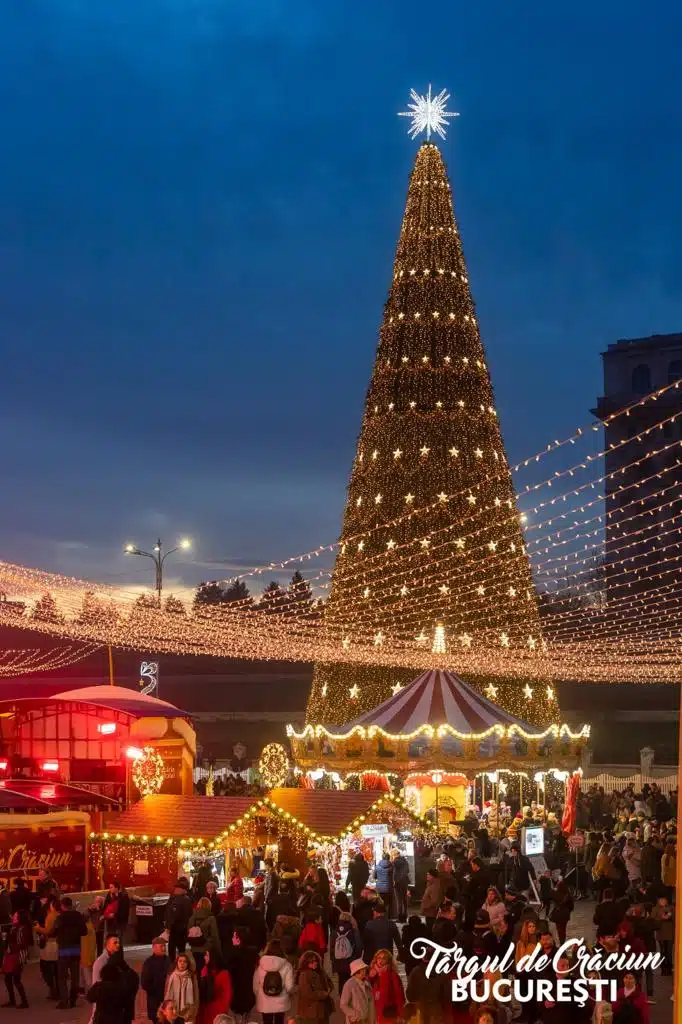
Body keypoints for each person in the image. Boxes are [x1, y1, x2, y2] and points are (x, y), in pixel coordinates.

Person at [52, 895, 88, 1009]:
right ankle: (73, 999)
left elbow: (54, 931)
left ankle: (64, 1001)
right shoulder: (78, 916)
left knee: (62, 976)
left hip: (64, 949)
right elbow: (84, 931)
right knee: (75, 976)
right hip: (76, 949)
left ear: (62, 906)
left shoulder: (60, 917)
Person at [86, 951, 139, 1024]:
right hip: (119, 1018)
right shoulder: (121, 987)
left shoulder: (99, 986)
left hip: (101, 1019)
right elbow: (128, 1000)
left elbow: (89, 998)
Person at [252, 939, 295, 1024]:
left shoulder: (261, 965)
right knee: (279, 1021)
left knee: (266, 1022)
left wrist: (260, 994)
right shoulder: (287, 965)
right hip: (281, 1001)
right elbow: (289, 986)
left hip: (265, 1001)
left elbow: (256, 985)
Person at [225, 926, 258, 1024]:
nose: (232, 938)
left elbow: (230, 976)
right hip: (249, 995)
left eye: (234, 937)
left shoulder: (233, 956)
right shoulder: (252, 954)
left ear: (238, 939)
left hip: (236, 995)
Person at [331, 897, 362, 991]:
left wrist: (334, 961)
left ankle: (342, 999)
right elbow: (359, 946)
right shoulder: (354, 930)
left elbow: (332, 948)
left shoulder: (334, 931)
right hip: (351, 960)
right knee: (351, 981)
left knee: (341, 981)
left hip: (338, 961)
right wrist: (357, 957)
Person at [295, 949, 334, 1023]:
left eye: (315, 961)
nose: (314, 963)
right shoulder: (304, 975)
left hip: (322, 1009)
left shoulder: (321, 971)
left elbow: (329, 983)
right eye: (311, 962)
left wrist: (329, 988)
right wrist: (324, 994)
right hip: (311, 1011)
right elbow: (308, 993)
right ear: (305, 963)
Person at [1, 909, 30, 1008]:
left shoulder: (22, 928)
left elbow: (23, 944)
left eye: (15, 915)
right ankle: (12, 1000)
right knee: (8, 978)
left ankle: (24, 1001)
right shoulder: (14, 927)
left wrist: (12, 948)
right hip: (12, 954)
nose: (13, 916)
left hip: (18, 955)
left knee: (16, 978)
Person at [34, 892, 59, 999]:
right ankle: (56, 991)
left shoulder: (51, 916)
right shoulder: (58, 915)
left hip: (50, 945)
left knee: (46, 968)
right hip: (57, 944)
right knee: (56, 970)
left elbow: (48, 931)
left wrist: (37, 928)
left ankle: (53, 990)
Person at [369, 949, 405, 1024]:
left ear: (388, 961)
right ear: (375, 959)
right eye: (379, 958)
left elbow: (399, 995)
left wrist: (400, 1014)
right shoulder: (371, 975)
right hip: (373, 1012)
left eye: (384, 958)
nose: (381, 960)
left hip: (388, 1013)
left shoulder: (393, 975)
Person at [197, 949, 232, 1024]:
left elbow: (227, 994)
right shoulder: (204, 970)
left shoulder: (224, 974)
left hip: (217, 1010)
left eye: (206, 955)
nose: (204, 957)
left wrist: (222, 1010)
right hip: (204, 1010)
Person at [141, 935, 171, 1024]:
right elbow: (145, 983)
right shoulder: (149, 962)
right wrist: (156, 990)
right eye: (161, 946)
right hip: (155, 1001)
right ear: (154, 948)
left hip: (168, 1000)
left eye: (164, 946)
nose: (164, 948)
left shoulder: (168, 960)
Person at [164, 953, 199, 1024]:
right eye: (180, 961)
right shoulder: (171, 976)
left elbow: (196, 994)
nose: (182, 963)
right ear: (176, 963)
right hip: (173, 1012)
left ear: (188, 964)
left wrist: (194, 1010)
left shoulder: (191, 976)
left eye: (185, 961)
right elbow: (166, 993)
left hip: (188, 1013)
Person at [340, 958, 376, 1024]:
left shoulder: (367, 983)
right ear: (356, 971)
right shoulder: (349, 984)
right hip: (356, 1021)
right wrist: (355, 1014)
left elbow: (370, 1003)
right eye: (362, 969)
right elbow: (343, 1005)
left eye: (364, 969)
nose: (364, 971)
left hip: (367, 1020)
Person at [165, 882, 193, 961]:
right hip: (178, 927)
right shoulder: (175, 898)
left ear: (182, 890)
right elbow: (168, 912)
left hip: (178, 927)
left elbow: (175, 914)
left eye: (177, 888)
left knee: (175, 947)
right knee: (177, 947)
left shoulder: (182, 899)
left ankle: (177, 962)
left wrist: (168, 925)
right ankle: (177, 961)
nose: (175, 889)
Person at [651, 894, 674, 975]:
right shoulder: (655, 909)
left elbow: (674, 919)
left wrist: (669, 915)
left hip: (670, 933)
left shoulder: (671, 908)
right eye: (661, 900)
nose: (663, 901)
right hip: (661, 933)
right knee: (663, 951)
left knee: (669, 951)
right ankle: (663, 969)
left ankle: (669, 968)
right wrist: (661, 917)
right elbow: (652, 919)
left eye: (664, 900)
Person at [102, 880, 130, 945]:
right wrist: (104, 914)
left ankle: (118, 955)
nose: (110, 889)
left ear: (116, 888)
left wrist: (114, 915)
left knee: (117, 942)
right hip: (111, 922)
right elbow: (105, 906)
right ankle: (113, 954)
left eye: (111, 887)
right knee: (111, 941)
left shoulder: (124, 896)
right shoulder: (109, 895)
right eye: (110, 887)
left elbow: (124, 911)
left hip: (120, 922)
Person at [549, 879, 573, 944]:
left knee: (559, 929)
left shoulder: (554, 893)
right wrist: (568, 910)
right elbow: (571, 906)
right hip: (565, 914)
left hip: (557, 913)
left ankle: (561, 941)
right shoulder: (568, 894)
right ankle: (562, 942)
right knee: (563, 929)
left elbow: (550, 895)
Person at [420, 869, 441, 934]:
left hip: (431, 913)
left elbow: (435, 901)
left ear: (433, 876)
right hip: (429, 913)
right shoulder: (430, 884)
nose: (427, 876)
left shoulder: (435, 886)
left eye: (428, 874)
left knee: (430, 930)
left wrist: (425, 905)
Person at [391, 849, 410, 923]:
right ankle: (404, 917)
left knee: (399, 901)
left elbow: (394, 873)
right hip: (404, 882)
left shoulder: (394, 862)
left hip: (398, 883)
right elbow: (407, 871)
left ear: (394, 854)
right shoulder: (405, 861)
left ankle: (400, 917)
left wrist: (396, 880)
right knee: (404, 900)